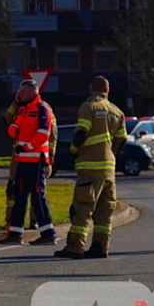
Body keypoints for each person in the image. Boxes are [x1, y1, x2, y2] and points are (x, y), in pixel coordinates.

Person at [55, 76, 126, 259]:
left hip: (90, 168)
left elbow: (81, 133)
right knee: (104, 212)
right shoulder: (117, 111)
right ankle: (100, 247)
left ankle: (75, 247)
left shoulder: (89, 106)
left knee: (83, 209)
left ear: (91, 88)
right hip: (108, 169)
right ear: (107, 90)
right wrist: (111, 153)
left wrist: (74, 150)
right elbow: (122, 139)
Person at [0, 79, 58, 245]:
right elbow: (12, 127)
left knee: (38, 197)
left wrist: (27, 147)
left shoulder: (42, 109)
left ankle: (48, 234)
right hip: (22, 161)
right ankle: (15, 234)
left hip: (36, 161)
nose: (20, 95)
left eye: (23, 92)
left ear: (33, 92)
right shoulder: (22, 109)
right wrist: (13, 131)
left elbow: (43, 134)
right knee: (20, 197)